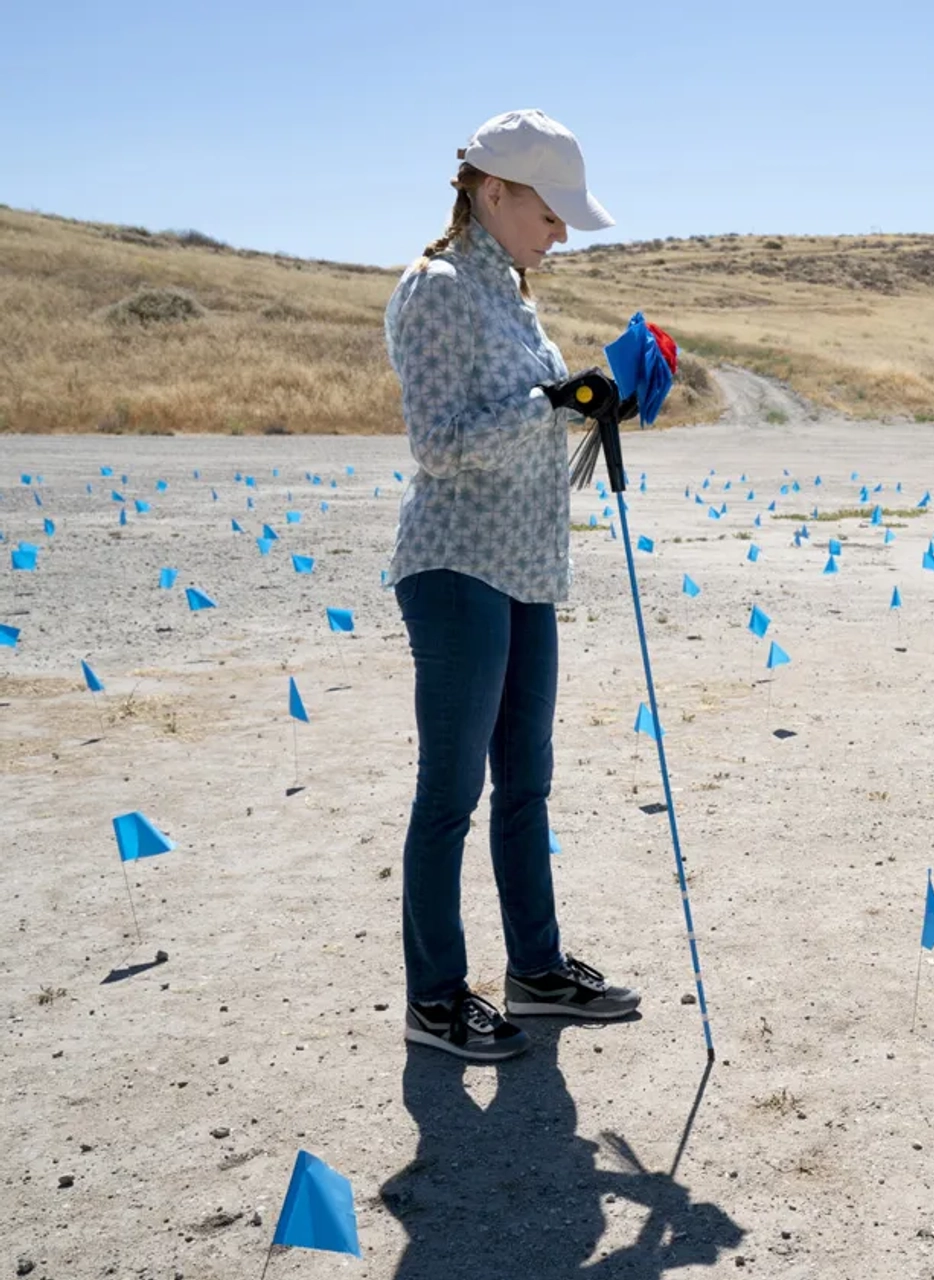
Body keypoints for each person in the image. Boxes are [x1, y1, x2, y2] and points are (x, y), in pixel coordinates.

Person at [385, 109, 641, 1062]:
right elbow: (440, 446)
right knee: (449, 791)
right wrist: (548, 401)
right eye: (551, 209)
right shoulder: (439, 288)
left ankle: (535, 975)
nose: (563, 231)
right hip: (456, 565)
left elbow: (521, 421)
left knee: (525, 782)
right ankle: (436, 998)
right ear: (493, 191)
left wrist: (585, 402)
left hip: (527, 566)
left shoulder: (515, 294)